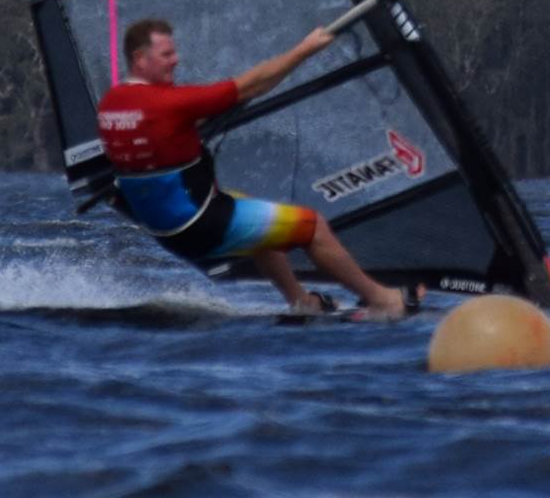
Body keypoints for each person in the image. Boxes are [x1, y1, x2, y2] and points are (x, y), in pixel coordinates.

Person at [96, 16, 415, 318]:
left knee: (252, 213)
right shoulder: (171, 103)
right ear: (140, 58)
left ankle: (301, 302)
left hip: (166, 229)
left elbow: (157, 132)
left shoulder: (111, 103)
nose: (175, 60)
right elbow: (254, 84)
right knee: (314, 227)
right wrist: (307, 48)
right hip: (201, 224)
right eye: (166, 54)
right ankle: (383, 300)